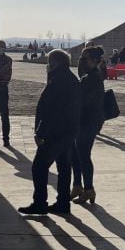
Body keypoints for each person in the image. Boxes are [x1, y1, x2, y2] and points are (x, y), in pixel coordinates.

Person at [18, 49, 82, 216]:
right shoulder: (70, 78)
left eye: (49, 61)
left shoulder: (58, 80)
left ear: (55, 62)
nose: (47, 64)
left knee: (39, 167)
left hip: (55, 133)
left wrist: (40, 132)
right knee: (64, 168)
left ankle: (40, 203)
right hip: (68, 132)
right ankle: (62, 203)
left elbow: (52, 110)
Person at [72, 46, 106, 205]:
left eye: (83, 59)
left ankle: (88, 188)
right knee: (78, 155)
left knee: (83, 155)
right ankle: (79, 186)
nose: (81, 62)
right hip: (88, 121)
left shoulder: (92, 78)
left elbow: (85, 100)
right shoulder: (91, 75)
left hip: (88, 121)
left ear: (92, 61)